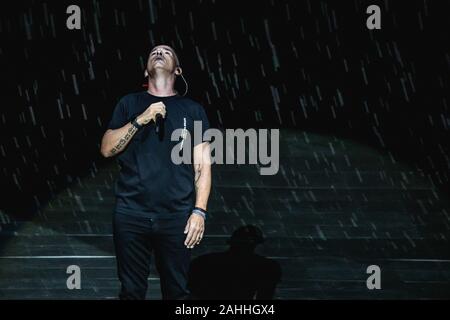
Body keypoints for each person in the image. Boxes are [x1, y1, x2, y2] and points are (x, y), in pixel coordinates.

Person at [100, 44, 211, 300]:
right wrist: (142, 118)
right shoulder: (129, 103)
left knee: (177, 292)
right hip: (131, 213)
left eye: (166, 52)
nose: (159, 53)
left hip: (176, 216)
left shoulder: (193, 110)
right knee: (131, 291)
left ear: (178, 70)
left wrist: (199, 211)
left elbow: (202, 166)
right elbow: (106, 149)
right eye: (153, 52)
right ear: (145, 70)